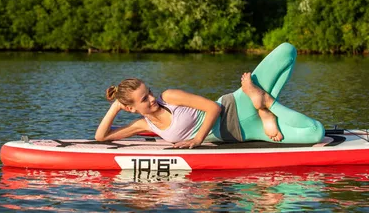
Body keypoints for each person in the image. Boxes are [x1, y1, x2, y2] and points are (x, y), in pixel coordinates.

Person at [95, 43, 325, 148]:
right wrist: (116, 106)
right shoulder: (143, 124)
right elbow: (101, 138)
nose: (152, 98)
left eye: (149, 93)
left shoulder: (170, 96)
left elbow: (213, 108)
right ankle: (265, 105)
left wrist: (197, 140)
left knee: (287, 50)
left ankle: (259, 101)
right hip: (242, 134)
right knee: (316, 133)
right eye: (144, 99)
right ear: (131, 108)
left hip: (237, 106)